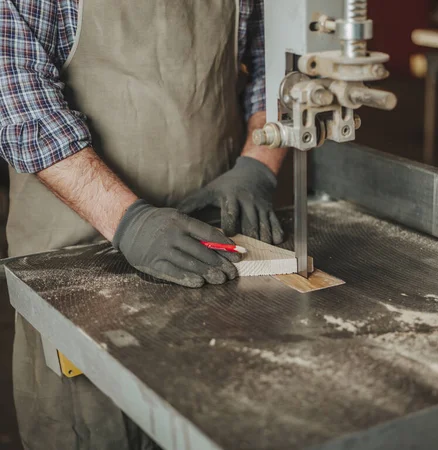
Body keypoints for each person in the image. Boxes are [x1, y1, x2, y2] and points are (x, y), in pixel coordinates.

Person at [0, 0, 286, 448]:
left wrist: (258, 164)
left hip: (215, 238)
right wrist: (130, 222)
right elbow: (20, 102)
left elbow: (278, 65)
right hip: (79, 253)